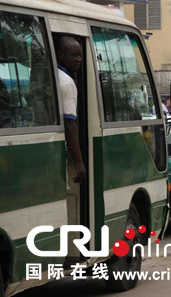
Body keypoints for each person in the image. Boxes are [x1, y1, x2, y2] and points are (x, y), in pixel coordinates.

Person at [55, 36, 86, 261]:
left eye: (80, 54)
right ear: (59, 55)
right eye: (74, 55)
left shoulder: (47, 75)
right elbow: (70, 123)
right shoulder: (66, 82)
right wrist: (79, 162)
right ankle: (68, 254)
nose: (79, 59)